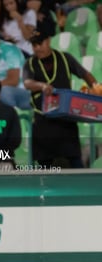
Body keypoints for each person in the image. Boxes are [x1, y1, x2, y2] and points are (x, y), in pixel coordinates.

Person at [23, 30, 97, 168]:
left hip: (65, 119)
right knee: (45, 166)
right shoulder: (30, 63)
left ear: (48, 41)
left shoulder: (65, 58)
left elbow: (85, 74)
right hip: (42, 120)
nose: (37, 48)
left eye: (40, 43)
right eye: (34, 45)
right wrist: (41, 85)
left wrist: (96, 88)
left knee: (75, 160)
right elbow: (27, 83)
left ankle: (80, 188)